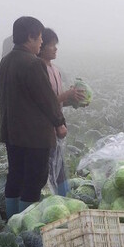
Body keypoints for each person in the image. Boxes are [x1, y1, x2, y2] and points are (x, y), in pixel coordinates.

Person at [0, 16, 67, 218]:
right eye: (39, 40)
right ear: (30, 37)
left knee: (16, 176)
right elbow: (47, 100)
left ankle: (12, 220)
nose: (41, 44)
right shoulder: (33, 64)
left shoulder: (6, 61)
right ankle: (25, 222)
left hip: (12, 130)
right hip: (34, 134)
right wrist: (59, 123)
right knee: (34, 179)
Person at [37, 27, 85, 197]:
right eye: (51, 45)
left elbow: (57, 101)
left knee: (59, 166)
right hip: (43, 127)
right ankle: (51, 197)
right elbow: (43, 102)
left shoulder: (55, 69)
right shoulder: (38, 69)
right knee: (46, 168)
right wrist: (65, 95)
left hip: (57, 124)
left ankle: (63, 197)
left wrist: (73, 100)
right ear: (41, 46)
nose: (55, 48)